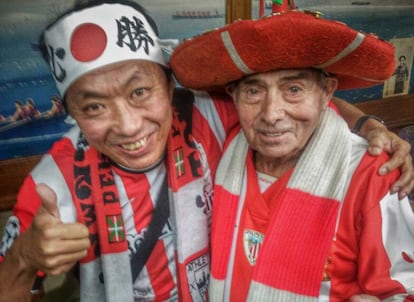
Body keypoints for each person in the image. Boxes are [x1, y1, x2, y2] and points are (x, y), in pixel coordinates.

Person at [0, 1, 412, 302]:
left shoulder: (207, 117)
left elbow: (290, 101)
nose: (127, 125)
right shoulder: (56, 180)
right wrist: (23, 258)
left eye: (140, 92)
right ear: (70, 112)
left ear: (170, 87)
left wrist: (369, 126)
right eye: (93, 106)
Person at [169, 1, 414, 300]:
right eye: (254, 91)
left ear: (326, 93)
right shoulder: (225, 141)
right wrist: (368, 123)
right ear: (233, 96)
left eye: (294, 90)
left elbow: (406, 286)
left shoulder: (369, 176)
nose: (271, 114)